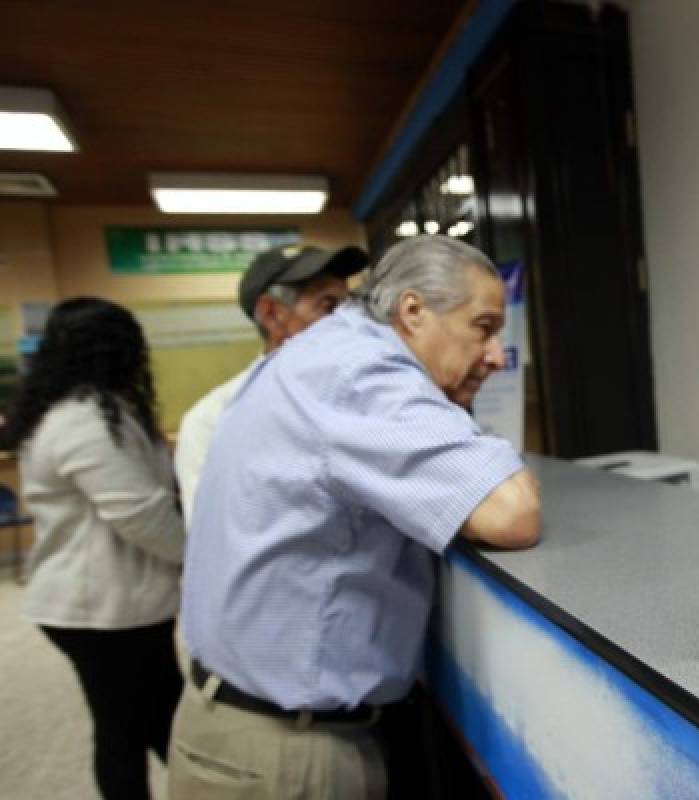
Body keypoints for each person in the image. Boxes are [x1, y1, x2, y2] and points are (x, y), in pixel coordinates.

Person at [169, 235, 541, 799]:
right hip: (284, 756)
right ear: (412, 311)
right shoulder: (362, 376)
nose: (493, 355)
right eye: (483, 328)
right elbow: (510, 513)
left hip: (242, 727)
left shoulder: (318, 354)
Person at [7, 297, 185, 800]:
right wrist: (202, 557)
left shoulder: (82, 411)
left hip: (107, 607)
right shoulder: (82, 420)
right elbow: (141, 515)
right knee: (139, 728)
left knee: (135, 724)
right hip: (102, 611)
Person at [173, 243, 367, 524]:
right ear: (272, 314)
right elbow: (215, 537)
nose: (351, 322)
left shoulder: (365, 394)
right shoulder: (212, 421)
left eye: (350, 305)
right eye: (328, 306)